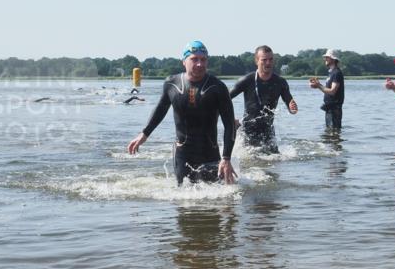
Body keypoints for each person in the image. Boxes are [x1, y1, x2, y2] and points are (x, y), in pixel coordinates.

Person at [127, 40, 237, 185]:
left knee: (216, 202)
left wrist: (226, 158)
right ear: (184, 61)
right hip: (183, 153)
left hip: (209, 152)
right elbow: (160, 109)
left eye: (203, 60)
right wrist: (145, 133)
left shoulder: (218, 87)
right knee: (183, 199)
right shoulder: (171, 83)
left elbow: (229, 124)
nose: (199, 64)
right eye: (194, 59)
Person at [229, 45, 298, 153]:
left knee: (274, 161)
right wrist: (229, 118)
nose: (268, 63)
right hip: (248, 131)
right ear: (257, 61)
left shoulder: (280, 82)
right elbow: (225, 98)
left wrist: (292, 106)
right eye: (264, 60)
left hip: (268, 131)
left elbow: (289, 100)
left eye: (270, 59)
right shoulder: (247, 80)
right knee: (251, 162)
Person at [309, 49, 344, 132]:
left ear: (333, 59)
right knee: (330, 134)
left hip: (334, 110)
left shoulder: (337, 73)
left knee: (333, 133)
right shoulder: (332, 73)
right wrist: (317, 86)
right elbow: (329, 90)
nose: (325, 59)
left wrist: (319, 85)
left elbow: (332, 91)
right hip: (330, 109)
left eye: (327, 57)